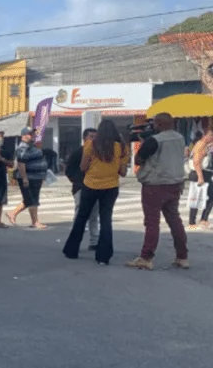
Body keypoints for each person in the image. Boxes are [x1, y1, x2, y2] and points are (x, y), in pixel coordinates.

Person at [62, 120, 128, 265]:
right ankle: (103, 257)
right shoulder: (121, 147)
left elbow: (83, 167)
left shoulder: (90, 145)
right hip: (110, 187)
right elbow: (123, 172)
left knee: (81, 218)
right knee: (106, 220)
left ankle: (71, 250)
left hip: (90, 185)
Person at [129, 112, 189, 270]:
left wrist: (144, 142)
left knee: (152, 222)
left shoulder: (154, 140)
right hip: (175, 182)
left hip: (155, 184)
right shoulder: (180, 138)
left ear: (159, 125)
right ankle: (182, 257)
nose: (153, 126)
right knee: (175, 221)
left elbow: (139, 159)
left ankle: (146, 257)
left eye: (154, 124)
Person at [64, 128, 99, 250]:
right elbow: (69, 170)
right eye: (91, 137)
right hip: (81, 187)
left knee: (94, 216)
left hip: (96, 187)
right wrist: (78, 182)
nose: (94, 139)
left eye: (96, 137)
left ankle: (94, 241)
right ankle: (74, 240)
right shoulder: (78, 152)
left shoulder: (99, 153)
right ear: (85, 138)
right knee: (79, 215)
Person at [7, 127, 48, 228]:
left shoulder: (32, 146)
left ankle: (13, 213)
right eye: (30, 134)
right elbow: (21, 164)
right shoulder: (22, 148)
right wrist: (24, 178)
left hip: (36, 177)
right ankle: (35, 222)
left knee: (31, 199)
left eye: (33, 134)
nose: (32, 136)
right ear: (23, 136)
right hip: (29, 177)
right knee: (32, 200)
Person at [185, 129, 213, 229]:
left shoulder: (205, 145)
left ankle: (203, 219)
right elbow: (197, 162)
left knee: (210, 196)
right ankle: (192, 222)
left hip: (204, 174)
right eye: (211, 136)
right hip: (199, 174)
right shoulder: (201, 145)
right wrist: (200, 177)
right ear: (205, 136)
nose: (212, 138)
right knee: (196, 198)